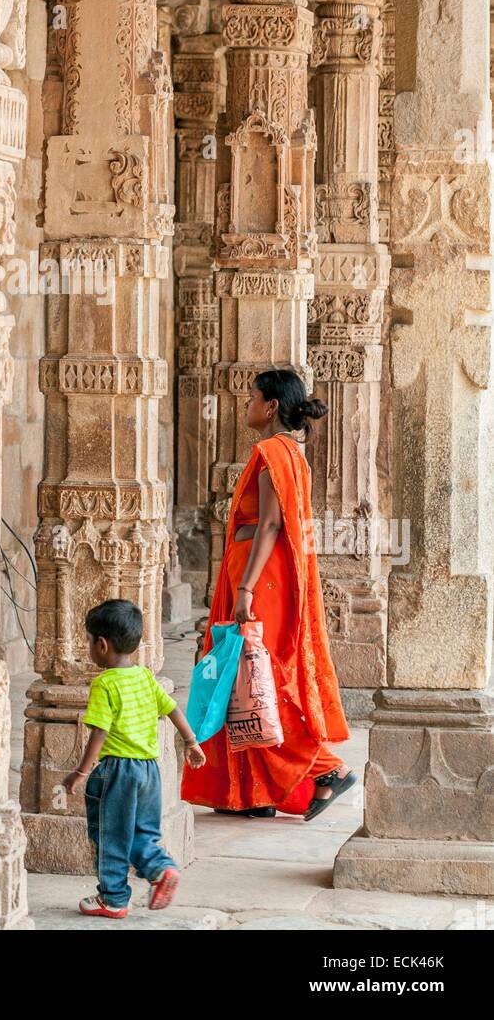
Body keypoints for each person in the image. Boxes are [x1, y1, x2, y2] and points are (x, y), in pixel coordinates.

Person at [181, 369, 356, 821]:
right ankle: (254, 791)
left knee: (262, 675)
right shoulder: (289, 453)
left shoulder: (271, 452)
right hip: (260, 570)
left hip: (261, 577)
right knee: (246, 675)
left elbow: (271, 525)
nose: (246, 406)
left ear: (271, 406)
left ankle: (325, 770)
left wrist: (245, 588)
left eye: (251, 398)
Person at [63, 599, 206, 919]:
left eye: (89, 641)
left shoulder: (104, 683)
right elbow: (172, 709)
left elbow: (99, 733)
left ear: (101, 644)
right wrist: (191, 742)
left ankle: (113, 898)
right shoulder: (144, 676)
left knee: (110, 834)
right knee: (142, 831)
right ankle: (160, 868)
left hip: (117, 772)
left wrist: (81, 772)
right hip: (149, 771)